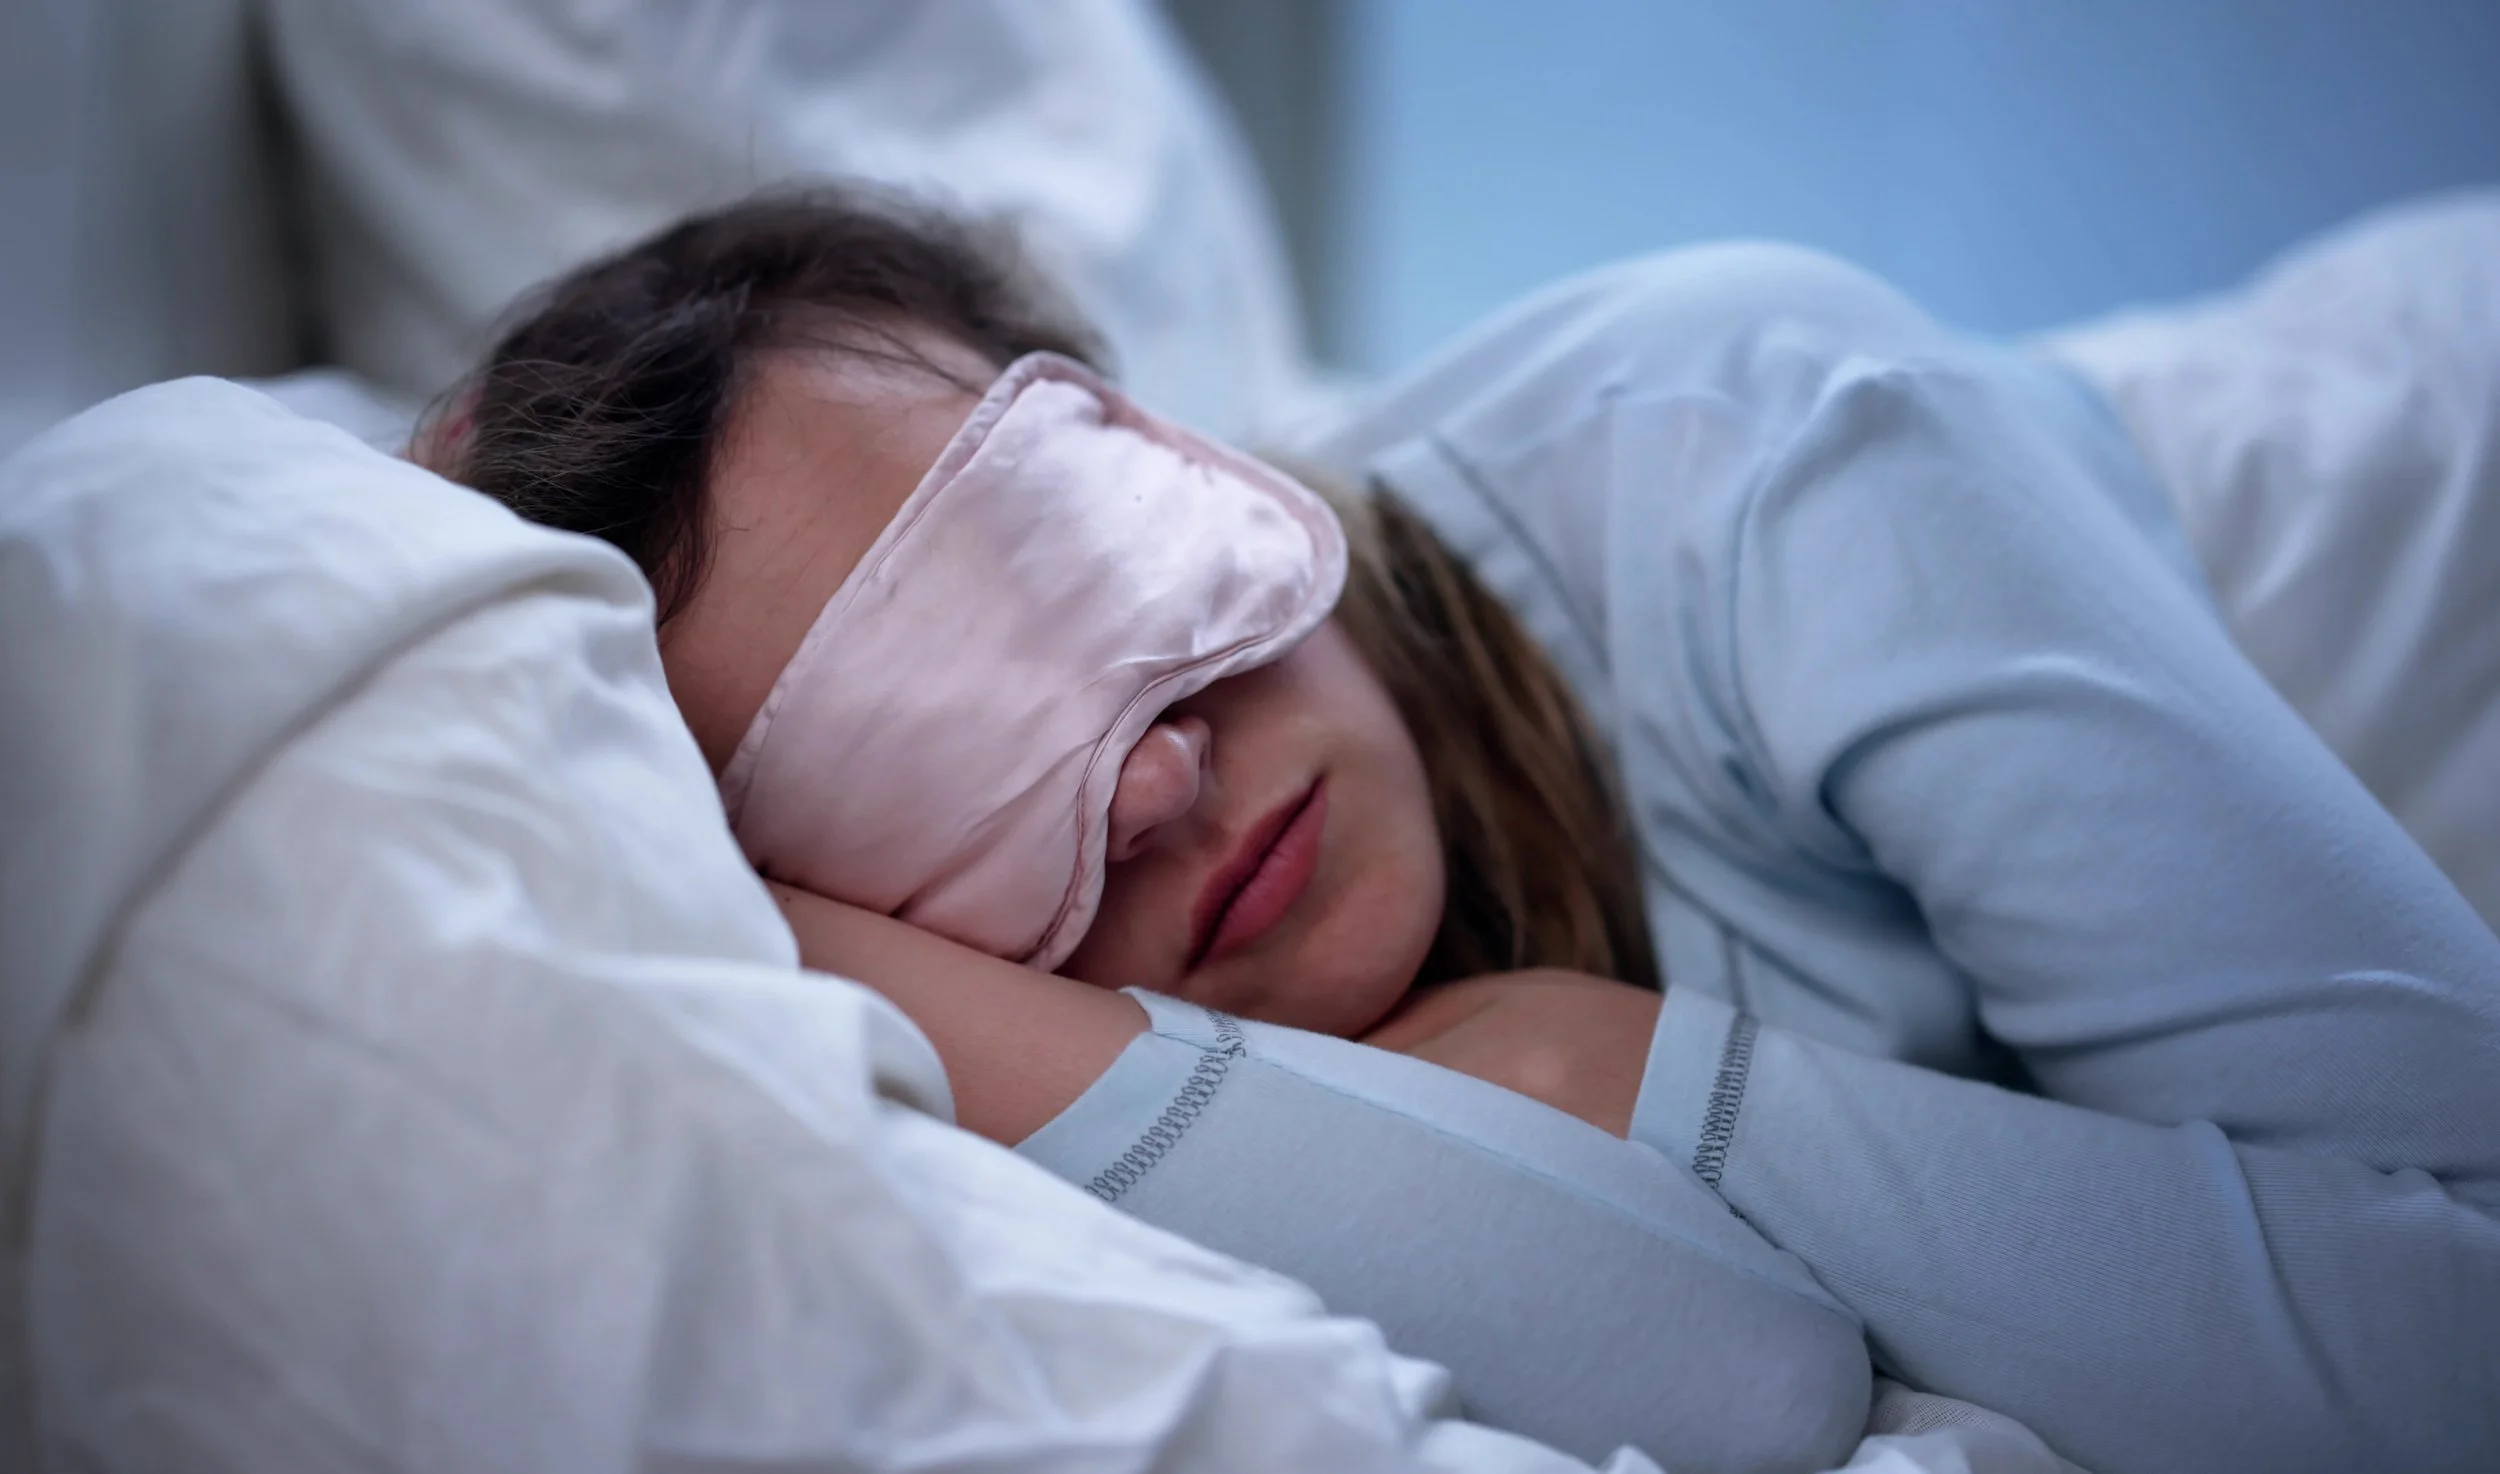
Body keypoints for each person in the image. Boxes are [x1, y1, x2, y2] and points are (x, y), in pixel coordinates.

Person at [431, 188, 2500, 1474]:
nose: (1153, 778)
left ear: (1163, 440)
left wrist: (1571, 1062)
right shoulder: (1014, 1079)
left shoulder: (1751, 433)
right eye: (917, 792)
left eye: (1066, 573)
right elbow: (1734, 1390)